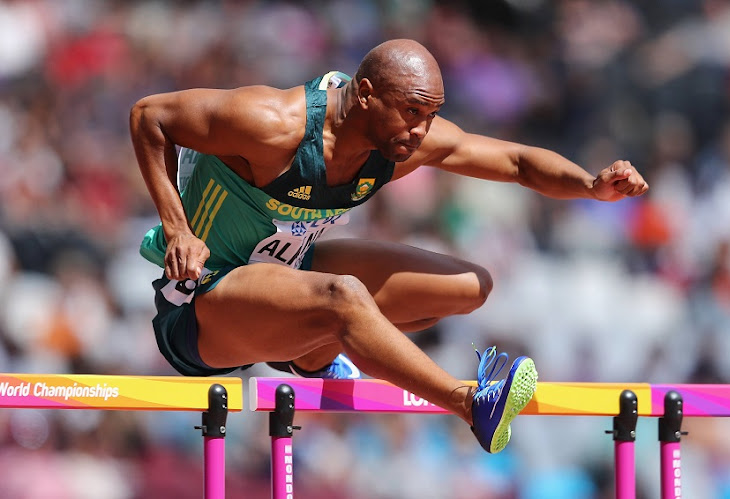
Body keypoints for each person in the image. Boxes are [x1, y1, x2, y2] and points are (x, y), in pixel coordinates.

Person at [130, 39, 648, 454]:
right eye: (411, 113)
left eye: (431, 115)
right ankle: (470, 405)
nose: (421, 131)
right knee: (345, 298)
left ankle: (313, 357)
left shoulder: (403, 142)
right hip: (203, 302)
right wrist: (177, 228)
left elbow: (514, 161)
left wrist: (589, 186)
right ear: (365, 94)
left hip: (285, 275)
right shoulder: (273, 124)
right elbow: (150, 116)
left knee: (469, 286)